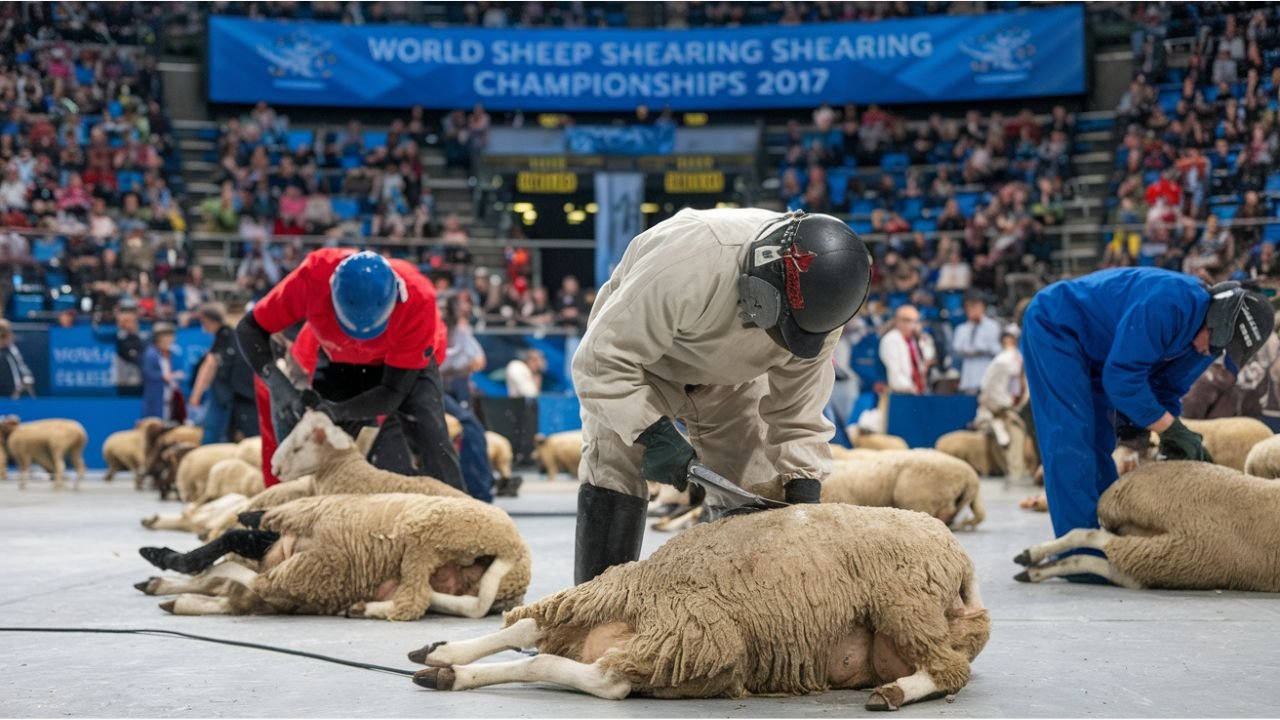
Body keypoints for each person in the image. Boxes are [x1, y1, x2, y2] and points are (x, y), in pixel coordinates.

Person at [571, 208, 871, 583]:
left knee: (753, 483)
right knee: (615, 465)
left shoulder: (825, 309)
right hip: (645, 367)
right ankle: (592, 614)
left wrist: (802, 485)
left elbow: (798, 412)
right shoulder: (688, 258)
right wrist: (651, 432)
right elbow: (599, 361)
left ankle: (737, 614)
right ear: (763, 278)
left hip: (738, 378)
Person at [1021, 268, 1274, 561]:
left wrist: (1144, 424)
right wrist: (1171, 429)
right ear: (1217, 321)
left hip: (1099, 351)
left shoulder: (1204, 346)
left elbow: (1165, 390)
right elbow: (1122, 380)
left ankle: (1105, 533)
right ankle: (1076, 550)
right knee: (1071, 435)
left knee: (1100, 440)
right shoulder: (1169, 303)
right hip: (1057, 327)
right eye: (1219, 343)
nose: (1214, 352)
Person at [235, 249, 463, 490]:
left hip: (398, 369)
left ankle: (460, 518)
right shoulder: (313, 277)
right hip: (339, 361)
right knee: (327, 457)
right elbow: (250, 328)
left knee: (430, 439)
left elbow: (392, 392)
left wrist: (338, 411)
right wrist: (278, 384)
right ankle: (323, 516)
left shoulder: (417, 298)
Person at [438, 292, 494, 502]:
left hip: (453, 386)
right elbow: (440, 364)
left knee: (474, 428)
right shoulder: (434, 327)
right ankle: (479, 493)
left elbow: (479, 360)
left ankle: (481, 489)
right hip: (433, 386)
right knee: (471, 428)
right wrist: (460, 365)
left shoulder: (459, 330)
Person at [975, 324, 1027, 481]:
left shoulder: (1019, 360)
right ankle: (1014, 476)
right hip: (998, 412)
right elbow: (988, 390)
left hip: (1014, 409)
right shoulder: (1002, 361)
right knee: (1010, 437)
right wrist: (1004, 408)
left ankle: (1016, 475)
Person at [188, 303, 241, 444]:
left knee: (213, 431)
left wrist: (195, 395)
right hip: (232, 393)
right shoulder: (231, 335)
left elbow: (209, 366)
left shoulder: (224, 337)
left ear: (207, 319)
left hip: (222, 394)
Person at [952, 293, 1003, 394]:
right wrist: (970, 350)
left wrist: (983, 348)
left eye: (974, 306)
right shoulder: (961, 329)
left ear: (982, 307)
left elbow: (999, 351)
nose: (971, 310)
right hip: (968, 378)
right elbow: (956, 349)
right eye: (968, 307)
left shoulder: (993, 326)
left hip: (987, 376)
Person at [879, 304, 933, 396]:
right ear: (898, 321)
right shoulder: (891, 340)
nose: (912, 325)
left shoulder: (916, 340)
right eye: (907, 321)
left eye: (915, 321)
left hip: (919, 390)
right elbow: (894, 370)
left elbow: (928, 358)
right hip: (900, 392)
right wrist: (909, 387)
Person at [142, 323, 184, 421]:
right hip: (156, 399)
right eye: (166, 337)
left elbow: (181, 372)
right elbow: (148, 373)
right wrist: (163, 376)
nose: (170, 340)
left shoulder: (175, 353)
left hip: (172, 398)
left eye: (171, 337)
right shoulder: (150, 354)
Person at [114, 304, 145, 398]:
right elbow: (126, 352)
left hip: (139, 378)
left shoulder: (142, 337)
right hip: (123, 379)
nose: (132, 323)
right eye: (126, 321)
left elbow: (139, 355)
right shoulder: (120, 337)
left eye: (133, 321)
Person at [0, 320, 34, 399]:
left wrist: (19, 389)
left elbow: (23, 368)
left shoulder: (12, 350)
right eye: (9, 334)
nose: (12, 337)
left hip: (13, 396)